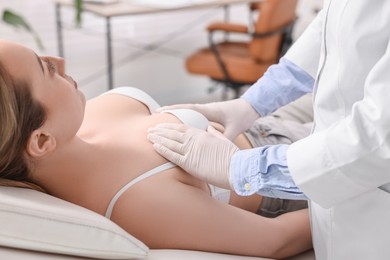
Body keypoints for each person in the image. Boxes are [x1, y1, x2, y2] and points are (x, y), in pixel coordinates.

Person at [0, 39, 312, 259]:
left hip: (265, 122)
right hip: (293, 177)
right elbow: (277, 241)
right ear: (41, 141)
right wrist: (351, 186)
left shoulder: (71, 125)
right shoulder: (135, 201)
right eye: (45, 69)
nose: (60, 61)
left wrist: (246, 106)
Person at [147, 1, 390, 259]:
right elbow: (333, 32)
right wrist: (251, 103)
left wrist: (240, 168)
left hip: (346, 172)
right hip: (308, 148)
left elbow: (379, 140)